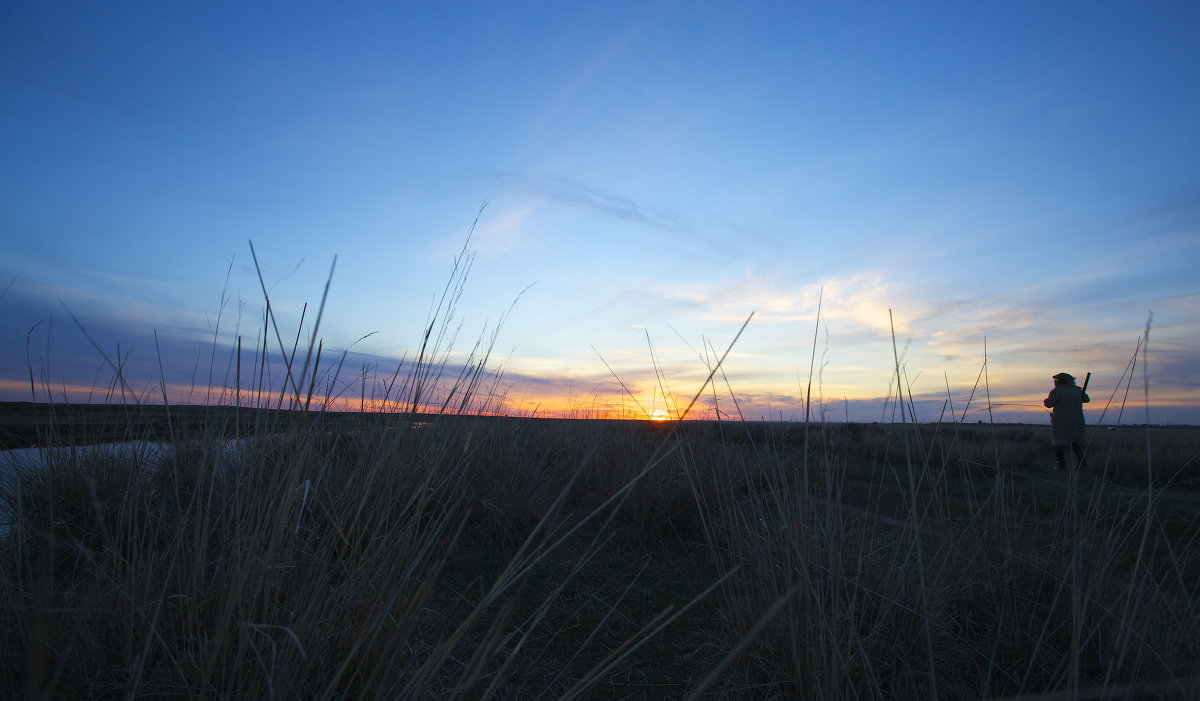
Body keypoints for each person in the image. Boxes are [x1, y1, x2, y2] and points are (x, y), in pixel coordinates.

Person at [1043, 372, 1090, 470]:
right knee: (1075, 441)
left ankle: (1061, 465)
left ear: (1061, 381)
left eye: (1056, 380)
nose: (1055, 382)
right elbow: (1086, 399)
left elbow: (1048, 404)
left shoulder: (1057, 391)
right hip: (1077, 420)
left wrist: (1045, 400)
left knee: (1058, 442)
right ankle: (1083, 463)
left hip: (1061, 421)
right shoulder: (1077, 390)